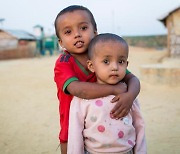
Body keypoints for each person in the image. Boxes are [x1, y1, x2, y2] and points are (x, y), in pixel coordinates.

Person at [54, 5, 140, 154]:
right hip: (71, 123)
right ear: (61, 42)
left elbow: (133, 79)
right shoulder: (64, 63)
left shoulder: (103, 58)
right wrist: (114, 89)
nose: (77, 35)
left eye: (83, 28)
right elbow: (78, 89)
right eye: (68, 32)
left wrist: (130, 96)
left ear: (95, 32)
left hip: (100, 124)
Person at [68, 33, 146, 154]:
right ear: (91, 66)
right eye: (106, 61)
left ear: (126, 65)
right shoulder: (82, 99)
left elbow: (139, 126)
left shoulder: (128, 94)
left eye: (121, 61)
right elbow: (75, 134)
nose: (115, 67)